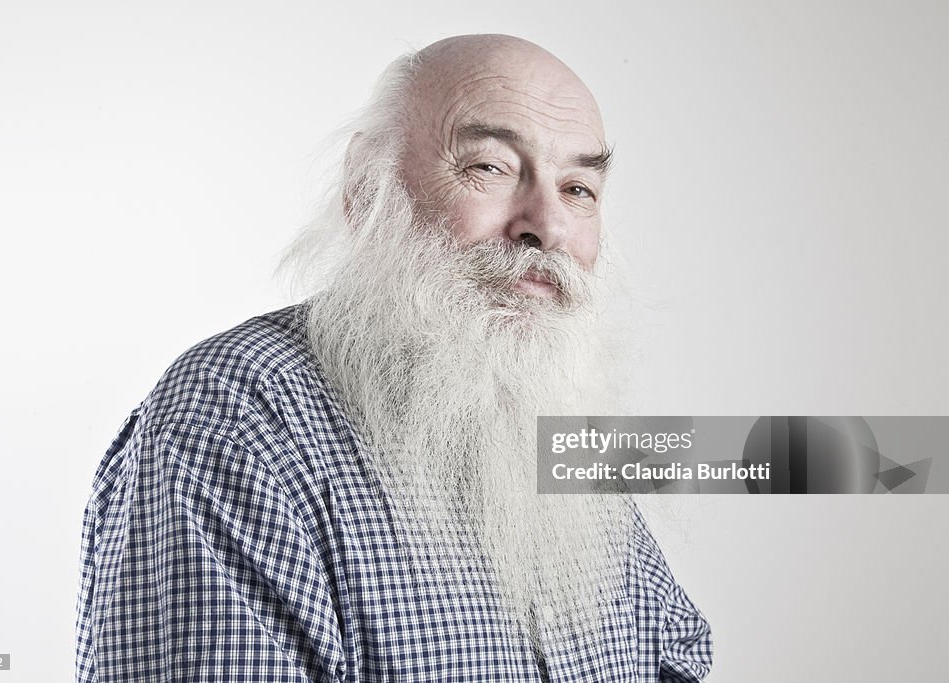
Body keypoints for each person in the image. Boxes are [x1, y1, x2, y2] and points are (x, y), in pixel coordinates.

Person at [75, 34, 712, 682]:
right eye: (488, 167)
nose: (546, 223)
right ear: (364, 186)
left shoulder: (551, 425)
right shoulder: (239, 417)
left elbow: (674, 650)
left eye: (579, 187)